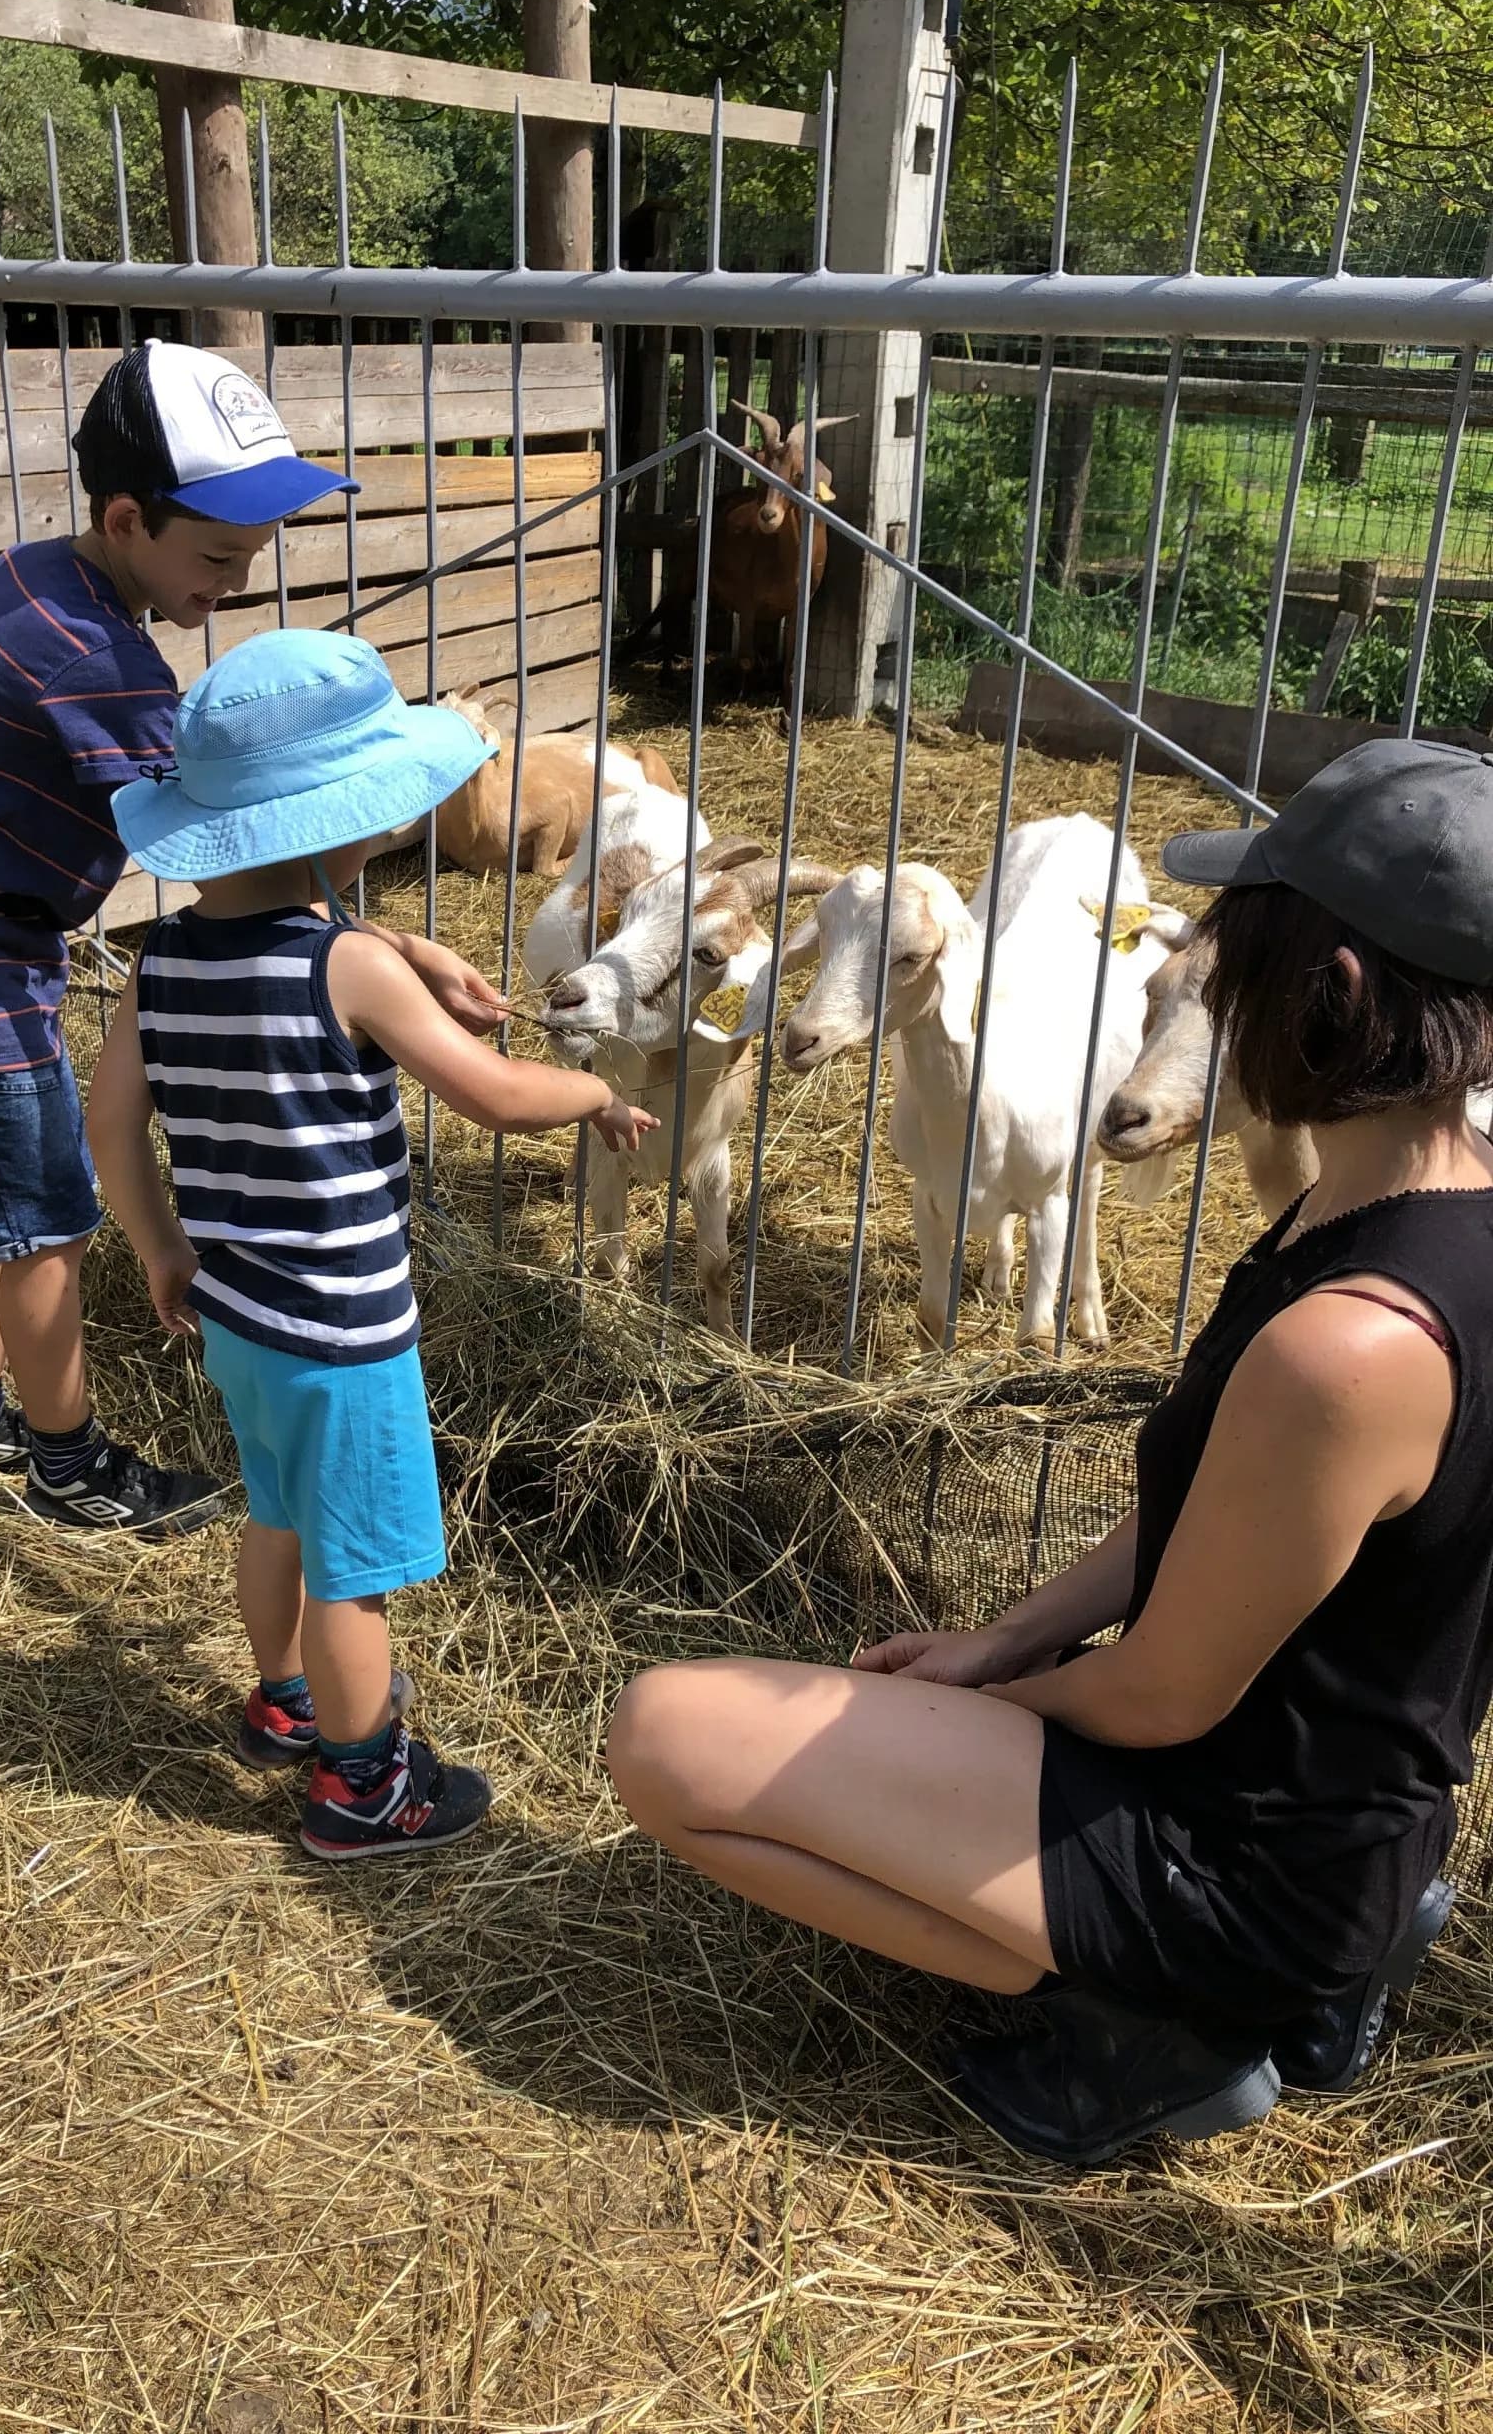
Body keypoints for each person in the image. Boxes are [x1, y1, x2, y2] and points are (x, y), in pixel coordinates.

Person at [606, 738, 1493, 2165]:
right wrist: (1005, 1639)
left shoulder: (1357, 1343)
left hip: (1244, 1862)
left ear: (1328, 994)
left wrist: (1007, 1699)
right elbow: (1240, 1519)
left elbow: (1158, 1699)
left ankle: (1168, 2025)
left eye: (1223, 973)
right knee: (851, 1723)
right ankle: (1325, 1953)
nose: (1192, 1003)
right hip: (1345, 1810)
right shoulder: (1403, 1211)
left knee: (665, 1740)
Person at [0, 340, 510, 1535]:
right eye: (218, 558)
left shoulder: (41, 579)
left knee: (13, 1191)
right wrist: (374, 953)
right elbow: (244, 849)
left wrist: (373, 941)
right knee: (47, 1219)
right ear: (126, 517)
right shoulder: (95, 658)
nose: (231, 584)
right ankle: (66, 1464)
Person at [88, 627, 658, 1859]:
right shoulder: (344, 962)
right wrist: (593, 1095)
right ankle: (364, 1782)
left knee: (276, 1512)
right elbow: (496, 1093)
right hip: (344, 1329)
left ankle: (285, 1700)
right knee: (354, 1566)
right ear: (345, 824)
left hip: (238, 1310)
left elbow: (110, 1121)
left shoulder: (165, 962)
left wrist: (157, 1244)